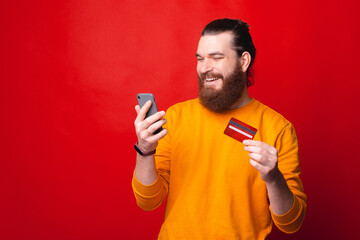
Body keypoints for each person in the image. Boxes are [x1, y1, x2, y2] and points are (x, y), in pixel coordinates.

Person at [132, 18, 307, 239]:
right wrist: (145, 150)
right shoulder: (176, 118)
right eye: (200, 59)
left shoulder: (277, 128)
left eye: (216, 57)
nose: (205, 68)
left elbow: (291, 223)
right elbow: (148, 201)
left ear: (243, 61)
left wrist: (273, 178)